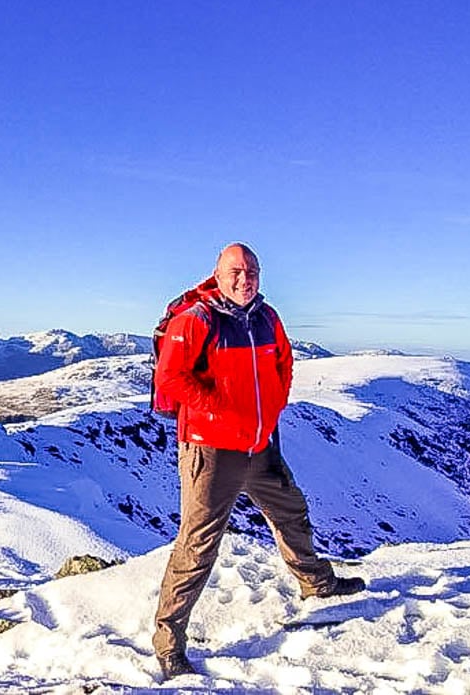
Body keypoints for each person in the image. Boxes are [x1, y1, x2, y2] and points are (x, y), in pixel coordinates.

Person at [152, 243, 366, 680]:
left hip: (259, 444)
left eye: (251, 270)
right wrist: (216, 408)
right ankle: (168, 643)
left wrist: (273, 406)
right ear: (217, 273)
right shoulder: (196, 320)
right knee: (197, 545)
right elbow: (171, 377)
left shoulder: (266, 318)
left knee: (291, 511)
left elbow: (284, 363)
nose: (244, 278)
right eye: (235, 271)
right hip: (211, 450)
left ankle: (316, 582)